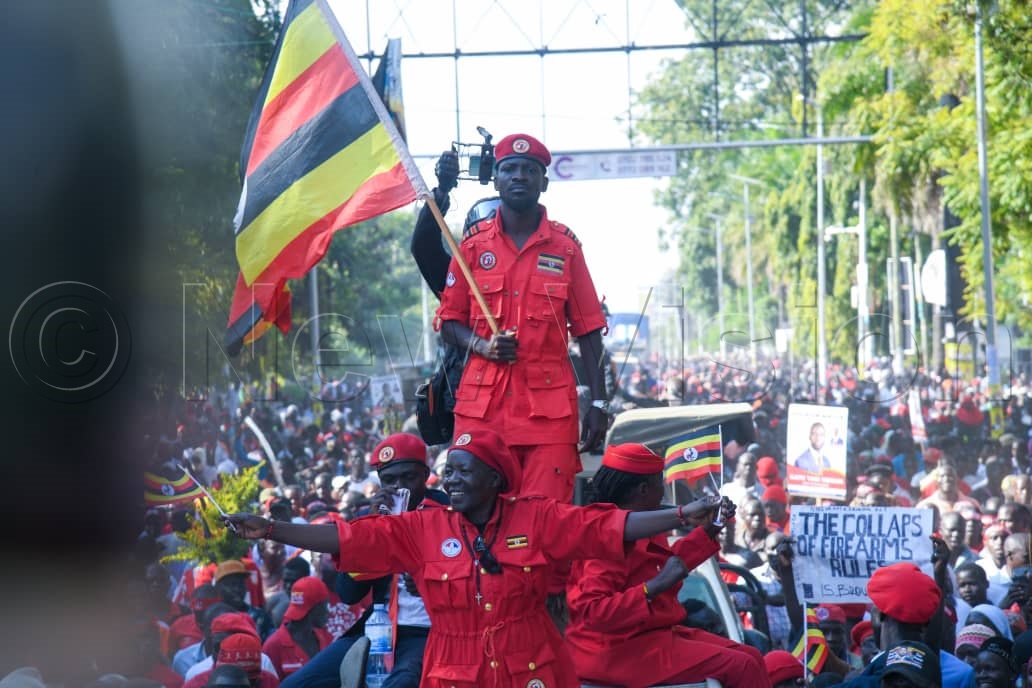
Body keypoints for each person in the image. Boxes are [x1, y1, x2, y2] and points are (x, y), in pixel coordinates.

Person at [225, 428, 726, 688]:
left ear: (494, 479)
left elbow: (609, 526)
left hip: (531, 665)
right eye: (449, 471)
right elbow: (344, 539)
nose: (452, 479)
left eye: (464, 471)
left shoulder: (537, 518)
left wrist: (682, 514)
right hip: (453, 668)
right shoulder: (421, 529)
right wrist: (270, 528)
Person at [434, 133, 609, 502]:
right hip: (481, 414)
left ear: (543, 182)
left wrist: (598, 403)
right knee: (478, 516)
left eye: (530, 170)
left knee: (545, 519)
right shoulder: (471, 247)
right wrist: (482, 346)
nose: (519, 176)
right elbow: (448, 322)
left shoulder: (566, 249)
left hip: (548, 419)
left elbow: (590, 330)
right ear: (496, 180)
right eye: (509, 168)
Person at [563, 443, 768, 688]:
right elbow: (594, 613)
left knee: (752, 656)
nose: (663, 492)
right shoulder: (603, 533)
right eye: (659, 482)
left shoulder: (644, 523)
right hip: (614, 649)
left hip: (648, 637)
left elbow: (670, 565)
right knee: (743, 665)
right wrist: (653, 587)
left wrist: (710, 530)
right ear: (642, 490)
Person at [279, 432, 445, 688]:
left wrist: (429, 582)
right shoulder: (372, 515)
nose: (400, 487)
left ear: (425, 475)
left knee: (400, 683)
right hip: (378, 627)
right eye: (389, 480)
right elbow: (349, 593)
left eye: (408, 477)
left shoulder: (448, 512)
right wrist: (373, 527)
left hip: (426, 629)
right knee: (297, 684)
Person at [261, 576, 332, 678]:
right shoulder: (273, 646)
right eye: (325, 606)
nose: (327, 612)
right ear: (313, 608)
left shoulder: (324, 637)